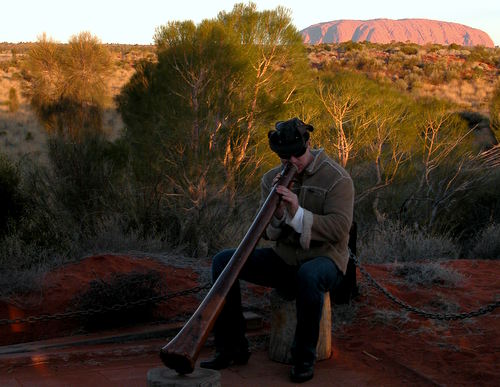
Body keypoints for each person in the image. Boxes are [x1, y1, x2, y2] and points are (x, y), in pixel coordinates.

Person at [200, 117, 354, 383]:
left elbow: (340, 229)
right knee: (223, 261)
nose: (292, 161)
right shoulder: (270, 179)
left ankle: (303, 356)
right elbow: (269, 234)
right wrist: (280, 215)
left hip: (326, 260)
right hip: (285, 260)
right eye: (285, 157)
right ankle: (232, 347)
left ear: (308, 144)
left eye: (297, 154)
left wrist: (298, 213)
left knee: (310, 275)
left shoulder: (337, 178)